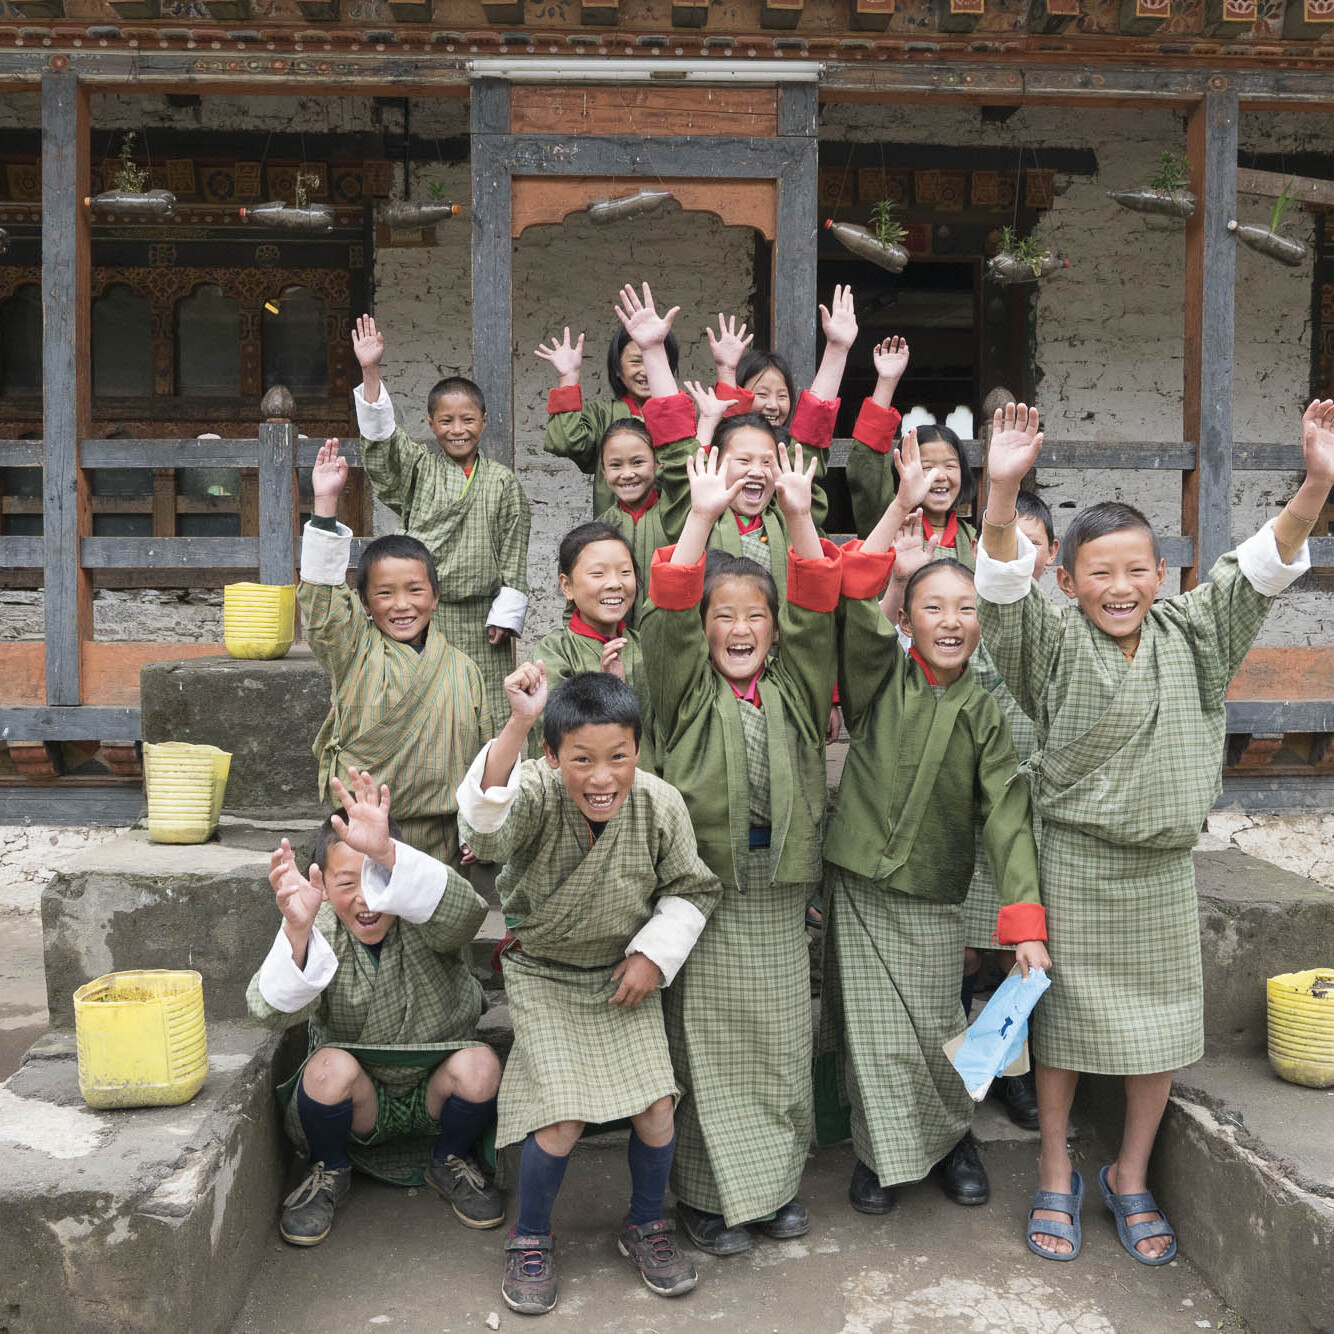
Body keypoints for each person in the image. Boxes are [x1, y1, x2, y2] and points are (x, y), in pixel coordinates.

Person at [976, 399, 1329, 1266]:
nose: (1121, 587)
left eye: (1137, 569)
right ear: (1069, 581)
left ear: (1162, 577)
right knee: (1059, 1034)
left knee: (1161, 1034)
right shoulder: (1048, 642)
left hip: (1164, 873)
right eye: (1099, 573)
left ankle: (1128, 1175)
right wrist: (999, 490)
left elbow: (1259, 568)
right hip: (1077, 866)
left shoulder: (1196, 634)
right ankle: (1056, 1167)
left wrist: (1317, 482)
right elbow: (999, 594)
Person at [815, 428, 1049, 1219]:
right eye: (932, 608)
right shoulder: (880, 675)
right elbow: (856, 609)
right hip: (857, 880)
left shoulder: (984, 709)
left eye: (965, 610)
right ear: (908, 619)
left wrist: (1023, 923)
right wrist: (900, 525)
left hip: (930, 890)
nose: (950, 622)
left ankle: (954, 1138)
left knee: (936, 1026)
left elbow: (1010, 817)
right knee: (874, 1036)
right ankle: (881, 1159)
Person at [457, 668, 722, 1316]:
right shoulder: (538, 796)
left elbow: (692, 889)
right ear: (552, 757)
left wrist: (652, 959)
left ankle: (644, 1226)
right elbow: (484, 827)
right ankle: (530, 1238)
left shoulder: (659, 803)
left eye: (618, 758)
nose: (601, 777)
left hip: (622, 975)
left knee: (657, 1107)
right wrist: (519, 722)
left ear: (638, 751)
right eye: (582, 760)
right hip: (544, 974)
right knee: (563, 1117)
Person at [642, 436, 841, 1256]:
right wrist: (702, 518)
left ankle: (772, 1189)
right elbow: (665, 623)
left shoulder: (792, 683)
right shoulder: (684, 684)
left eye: (756, 616)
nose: (739, 628)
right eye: (722, 615)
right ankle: (705, 1199)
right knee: (708, 1051)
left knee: (782, 1045)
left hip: (779, 889)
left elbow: (818, 613)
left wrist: (797, 517)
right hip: (706, 896)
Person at [247, 768, 502, 1246]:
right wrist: (297, 933)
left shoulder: (422, 906)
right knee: (324, 1069)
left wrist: (388, 852)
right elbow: (267, 1011)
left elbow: (468, 916)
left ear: (399, 868)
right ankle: (331, 1168)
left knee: (482, 1064)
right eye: (347, 883)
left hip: (436, 1091)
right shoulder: (316, 922)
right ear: (320, 883)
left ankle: (449, 1158)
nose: (365, 898)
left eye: (378, 875)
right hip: (358, 1100)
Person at [298, 438, 486, 866]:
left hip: (442, 840)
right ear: (364, 603)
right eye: (384, 594)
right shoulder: (353, 651)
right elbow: (322, 603)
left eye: (415, 591)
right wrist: (325, 505)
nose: (402, 605)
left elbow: (484, 755)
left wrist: (479, 826)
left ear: (436, 597)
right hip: (361, 833)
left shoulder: (464, 669)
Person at [351, 313, 531, 713]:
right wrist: (371, 370)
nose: (457, 429)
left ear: (484, 422)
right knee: (430, 710)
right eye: (446, 421)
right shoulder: (419, 467)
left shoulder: (502, 482)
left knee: (487, 711)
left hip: (483, 620)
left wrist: (506, 613)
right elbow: (384, 444)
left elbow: (514, 552)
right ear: (431, 425)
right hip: (424, 614)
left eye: (468, 419)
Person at [621, 282, 844, 598]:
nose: (756, 470)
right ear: (714, 465)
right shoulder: (698, 511)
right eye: (743, 460)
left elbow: (809, 442)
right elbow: (675, 445)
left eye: (767, 462)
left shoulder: (788, 513)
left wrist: (836, 350)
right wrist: (653, 351)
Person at [959, 488, 1059, 1131]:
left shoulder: (1062, 629)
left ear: (1050, 556)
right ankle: (967, 1069)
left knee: (1013, 953)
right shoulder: (965, 620)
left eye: (1034, 544)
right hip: (971, 812)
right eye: (1008, 543)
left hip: (1034, 814)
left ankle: (1010, 1070)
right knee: (964, 954)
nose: (1021, 555)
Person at [529, 522, 657, 770]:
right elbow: (554, 730)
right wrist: (608, 689)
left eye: (625, 572)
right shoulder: (554, 652)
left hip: (642, 784)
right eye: (598, 574)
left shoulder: (645, 647)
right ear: (567, 586)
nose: (614, 583)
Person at [847, 336, 978, 567]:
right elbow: (866, 464)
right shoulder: (890, 522)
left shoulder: (973, 538)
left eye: (950, 465)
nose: (939, 476)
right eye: (927, 468)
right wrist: (887, 382)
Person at [537, 319, 681, 516]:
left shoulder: (682, 417)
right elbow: (565, 441)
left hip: (672, 535)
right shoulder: (602, 415)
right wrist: (569, 377)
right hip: (612, 533)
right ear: (617, 369)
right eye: (636, 361)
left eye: (654, 361)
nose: (646, 370)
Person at [593, 417, 666, 626]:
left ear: (657, 462)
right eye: (615, 465)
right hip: (616, 644)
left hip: (668, 642)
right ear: (604, 471)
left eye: (637, 462)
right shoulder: (598, 530)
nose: (627, 474)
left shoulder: (675, 519)